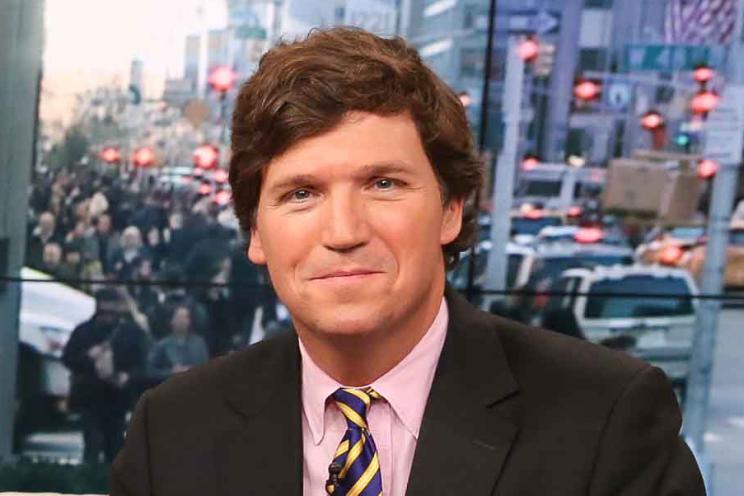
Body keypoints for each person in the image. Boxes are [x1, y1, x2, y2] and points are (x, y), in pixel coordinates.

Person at [111, 28, 704, 495]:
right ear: (256, 233)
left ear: (450, 209)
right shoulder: (172, 431)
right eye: (300, 194)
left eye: (384, 185)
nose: (343, 232)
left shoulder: (606, 419)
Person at [63, 288, 149, 464]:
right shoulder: (84, 331)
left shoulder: (130, 333)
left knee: (115, 444)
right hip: (91, 395)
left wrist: (128, 376)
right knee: (93, 444)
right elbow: (68, 358)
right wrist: (88, 357)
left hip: (117, 397)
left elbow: (143, 363)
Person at [146, 305, 209, 385]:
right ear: (172, 321)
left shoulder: (199, 343)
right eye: (179, 317)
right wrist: (171, 372)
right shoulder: (162, 345)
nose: (182, 321)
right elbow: (150, 371)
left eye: (185, 317)